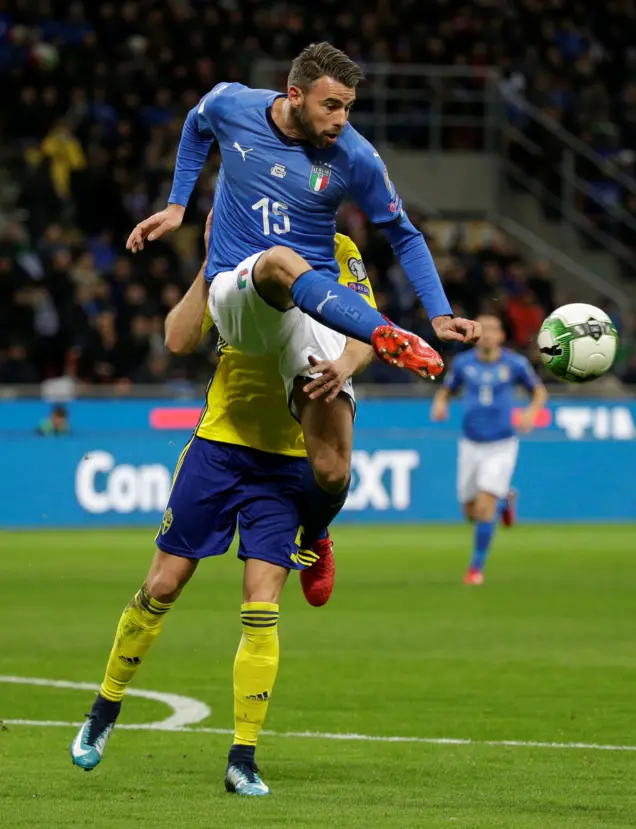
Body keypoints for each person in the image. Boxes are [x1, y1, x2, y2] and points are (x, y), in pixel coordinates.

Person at [127, 42, 481, 568]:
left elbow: (403, 234)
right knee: (278, 261)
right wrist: (178, 205)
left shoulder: (354, 156)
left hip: (310, 309)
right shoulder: (234, 105)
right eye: (331, 106)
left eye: (349, 107)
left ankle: (315, 531)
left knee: (333, 468)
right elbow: (196, 122)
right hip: (240, 291)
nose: (341, 119)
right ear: (294, 96)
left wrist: (439, 313)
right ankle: (384, 333)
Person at [70, 218, 376, 797]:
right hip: (220, 446)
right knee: (161, 585)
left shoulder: (339, 250)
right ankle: (103, 711)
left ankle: (243, 758)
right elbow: (178, 339)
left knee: (261, 604)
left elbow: (364, 327)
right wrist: (212, 260)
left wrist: (347, 367)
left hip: (286, 462)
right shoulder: (242, 254)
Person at [431, 312, 548, 584]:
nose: (488, 335)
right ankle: (505, 499)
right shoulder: (462, 364)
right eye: (483, 330)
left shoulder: (515, 364)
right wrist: (440, 403)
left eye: (493, 329)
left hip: (501, 444)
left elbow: (539, 391)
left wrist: (531, 413)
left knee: (485, 507)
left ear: (501, 336)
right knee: (470, 512)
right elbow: (446, 390)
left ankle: (476, 568)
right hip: (470, 443)